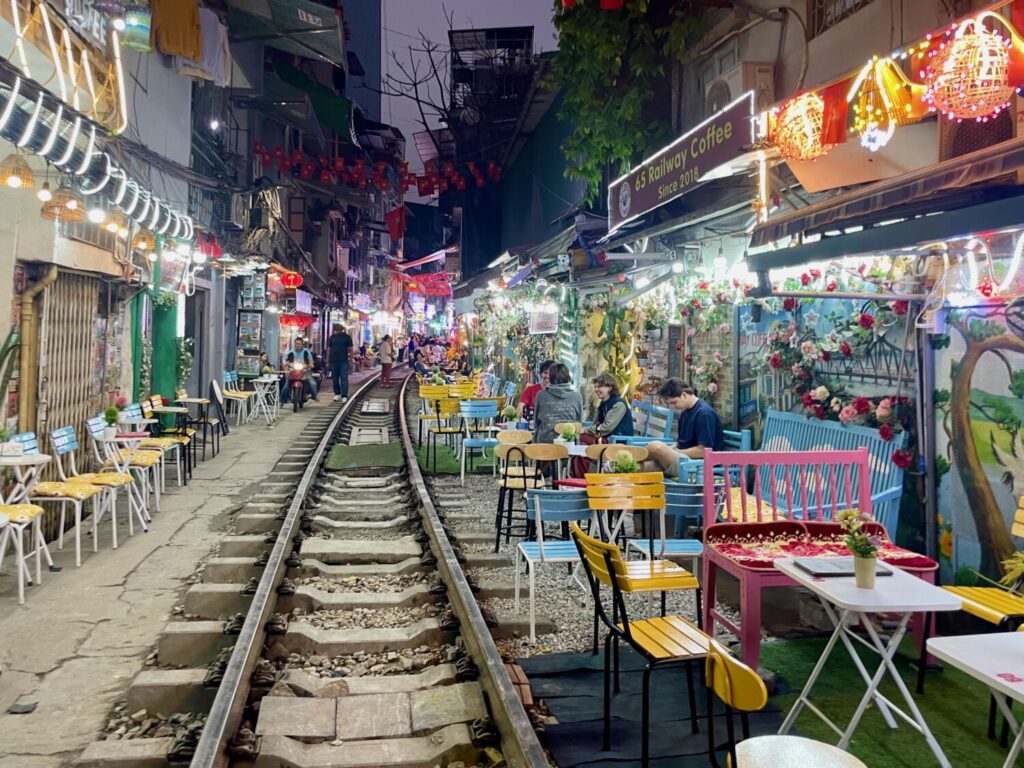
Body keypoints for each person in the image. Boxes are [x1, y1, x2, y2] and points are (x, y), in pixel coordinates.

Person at [642, 378, 724, 478]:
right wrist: (669, 450)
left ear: (684, 395)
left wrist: (674, 452)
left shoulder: (704, 414)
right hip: (684, 460)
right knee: (640, 467)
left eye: (674, 402)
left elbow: (703, 450)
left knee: (655, 447)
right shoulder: (685, 413)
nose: (672, 406)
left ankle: (633, 457)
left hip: (698, 466)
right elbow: (680, 443)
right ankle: (630, 461)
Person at [572, 372, 634, 477]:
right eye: (595, 387)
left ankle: (584, 477)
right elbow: (597, 423)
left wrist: (585, 430)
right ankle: (581, 475)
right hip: (606, 437)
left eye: (600, 386)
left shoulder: (618, 404)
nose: (596, 389)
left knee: (583, 442)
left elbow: (606, 428)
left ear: (610, 387)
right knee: (579, 440)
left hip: (617, 439)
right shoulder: (604, 403)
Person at [533, 362, 583, 444]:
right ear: (568, 376)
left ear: (551, 377)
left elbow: (536, 424)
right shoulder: (577, 396)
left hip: (544, 445)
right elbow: (579, 423)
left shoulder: (541, 395)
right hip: (569, 445)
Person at [326, 324, 353, 403]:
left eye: (340, 330)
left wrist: (351, 361)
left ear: (342, 329)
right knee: (335, 378)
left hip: (344, 360)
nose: (338, 331)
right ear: (335, 330)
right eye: (337, 330)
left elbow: (351, 350)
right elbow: (329, 349)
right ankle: (337, 394)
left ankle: (344, 395)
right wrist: (327, 361)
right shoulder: (332, 338)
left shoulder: (347, 337)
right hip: (334, 360)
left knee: (344, 378)